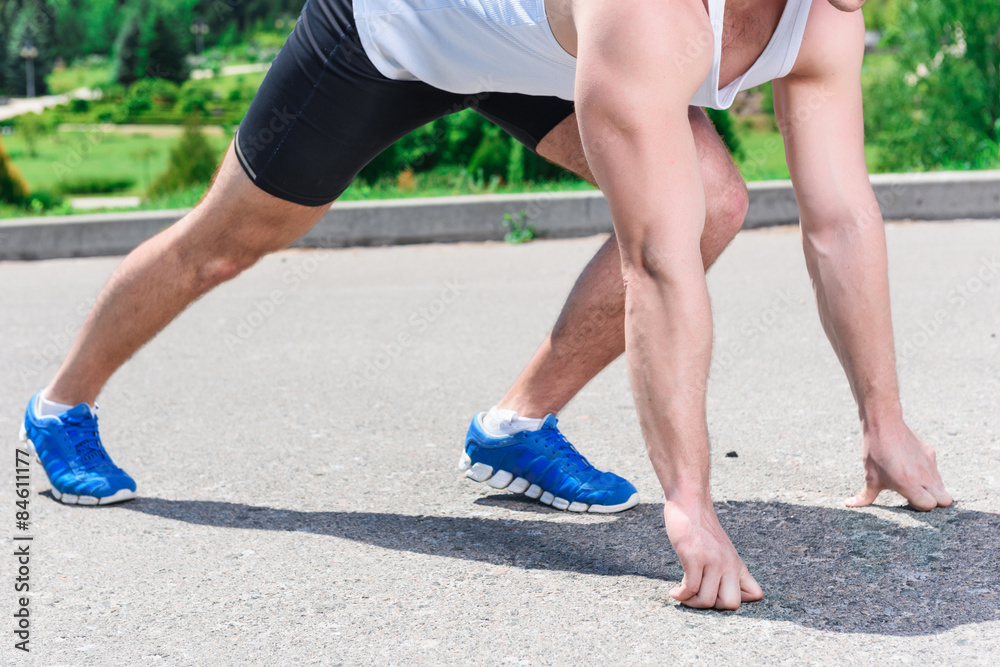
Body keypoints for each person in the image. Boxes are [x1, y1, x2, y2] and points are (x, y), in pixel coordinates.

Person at [20, 0, 951, 611]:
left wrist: (884, 419)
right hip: (388, 33)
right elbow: (656, 262)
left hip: (534, 50)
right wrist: (690, 505)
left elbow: (840, 220)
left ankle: (514, 426)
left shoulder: (825, 16)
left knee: (712, 198)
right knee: (229, 239)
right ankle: (60, 405)